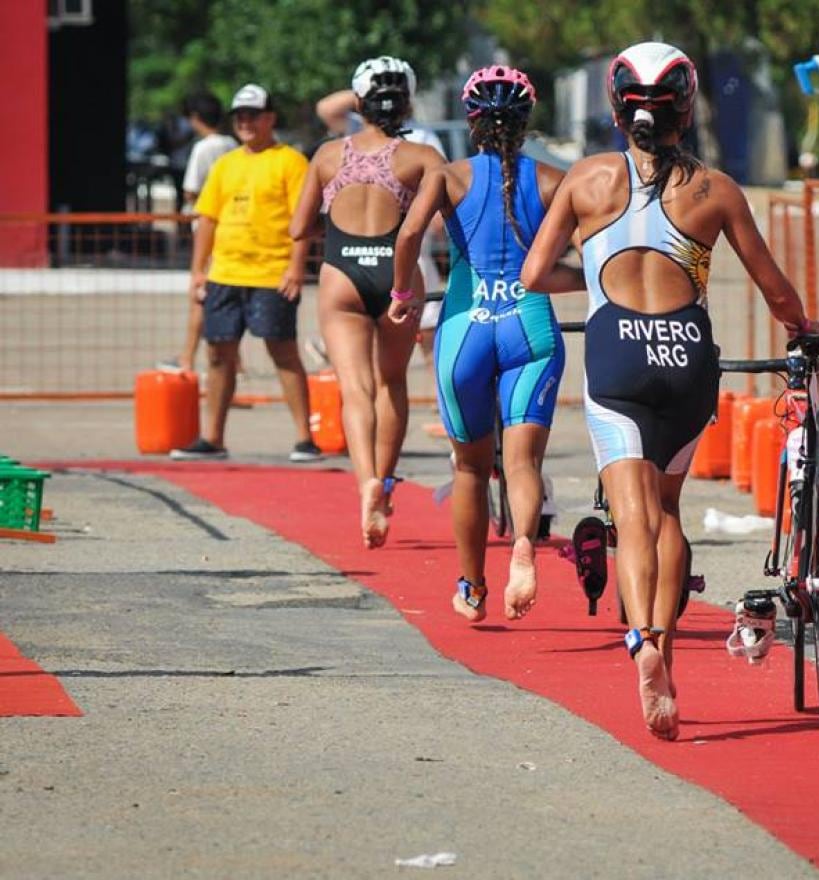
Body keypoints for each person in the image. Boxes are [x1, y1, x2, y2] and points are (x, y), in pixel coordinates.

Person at [521, 42, 819, 741]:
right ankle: (661, 628)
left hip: (615, 353)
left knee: (633, 519)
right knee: (669, 512)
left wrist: (594, 285)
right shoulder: (715, 189)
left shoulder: (587, 180)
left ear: (617, 108)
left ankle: (644, 645)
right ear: (685, 109)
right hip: (688, 356)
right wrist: (803, 326)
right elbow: (774, 288)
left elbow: (537, 272)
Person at [392, 65, 569, 623]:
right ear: (526, 123)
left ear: (472, 123)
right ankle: (522, 543)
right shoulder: (552, 179)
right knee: (523, 464)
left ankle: (471, 585)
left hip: (466, 326)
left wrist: (402, 291)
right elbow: (589, 253)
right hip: (530, 324)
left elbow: (408, 235)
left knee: (469, 468)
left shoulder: (448, 175)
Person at [289, 57, 446, 547]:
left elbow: (297, 228)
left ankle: (366, 485)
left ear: (358, 103)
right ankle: (387, 474)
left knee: (355, 389)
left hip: (342, 273)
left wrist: (334, 226)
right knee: (391, 381)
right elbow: (442, 220)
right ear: (408, 102)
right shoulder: (421, 158)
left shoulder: (328, 155)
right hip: (398, 274)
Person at [169, 84, 321, 463]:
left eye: (254, 115)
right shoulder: (226, 163)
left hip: (272, 273)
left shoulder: (290, 161)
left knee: (282, 351)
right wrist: (197, 271)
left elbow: (302, 222)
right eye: (240, 116)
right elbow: (207, 219)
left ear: (270, 118)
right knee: (218, 353)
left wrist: (296, 267)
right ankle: (213, 438)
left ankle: (305, 439)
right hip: (225, 272)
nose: (246, 123)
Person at [160, 93, 239, 375]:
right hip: (233, 227)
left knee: (200, 294)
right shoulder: (232, 143)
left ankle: (187, 359)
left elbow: (191, 190)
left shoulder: (203, 148)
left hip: (207, 228)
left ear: (195, 118)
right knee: (229, 295)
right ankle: (235, 361)